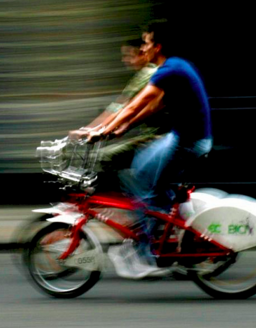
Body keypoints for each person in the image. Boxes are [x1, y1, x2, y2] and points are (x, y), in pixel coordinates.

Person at [88, 19, 213, 279]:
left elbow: (134, 105)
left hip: (187, 142)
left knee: (143, 181)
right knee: (145, 175)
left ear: (157, 46)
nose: (142, 49)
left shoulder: (167, 71)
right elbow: (151, 108)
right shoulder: (175, 66)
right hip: (185, 138)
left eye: (145, 43)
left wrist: (100, 130)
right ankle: (178, 228)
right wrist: (120, 129)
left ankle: (145, 254)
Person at [69, 38, 163, 185]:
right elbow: (121, 106)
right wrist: (94, 129)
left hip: (160, 137)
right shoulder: (146, 73)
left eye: (129, 56)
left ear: (143, 53)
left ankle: (136, 200)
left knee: (106, 157)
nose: (124, 60)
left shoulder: (148, 73)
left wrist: (96, 129)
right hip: (158, 136)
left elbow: (123, 107)